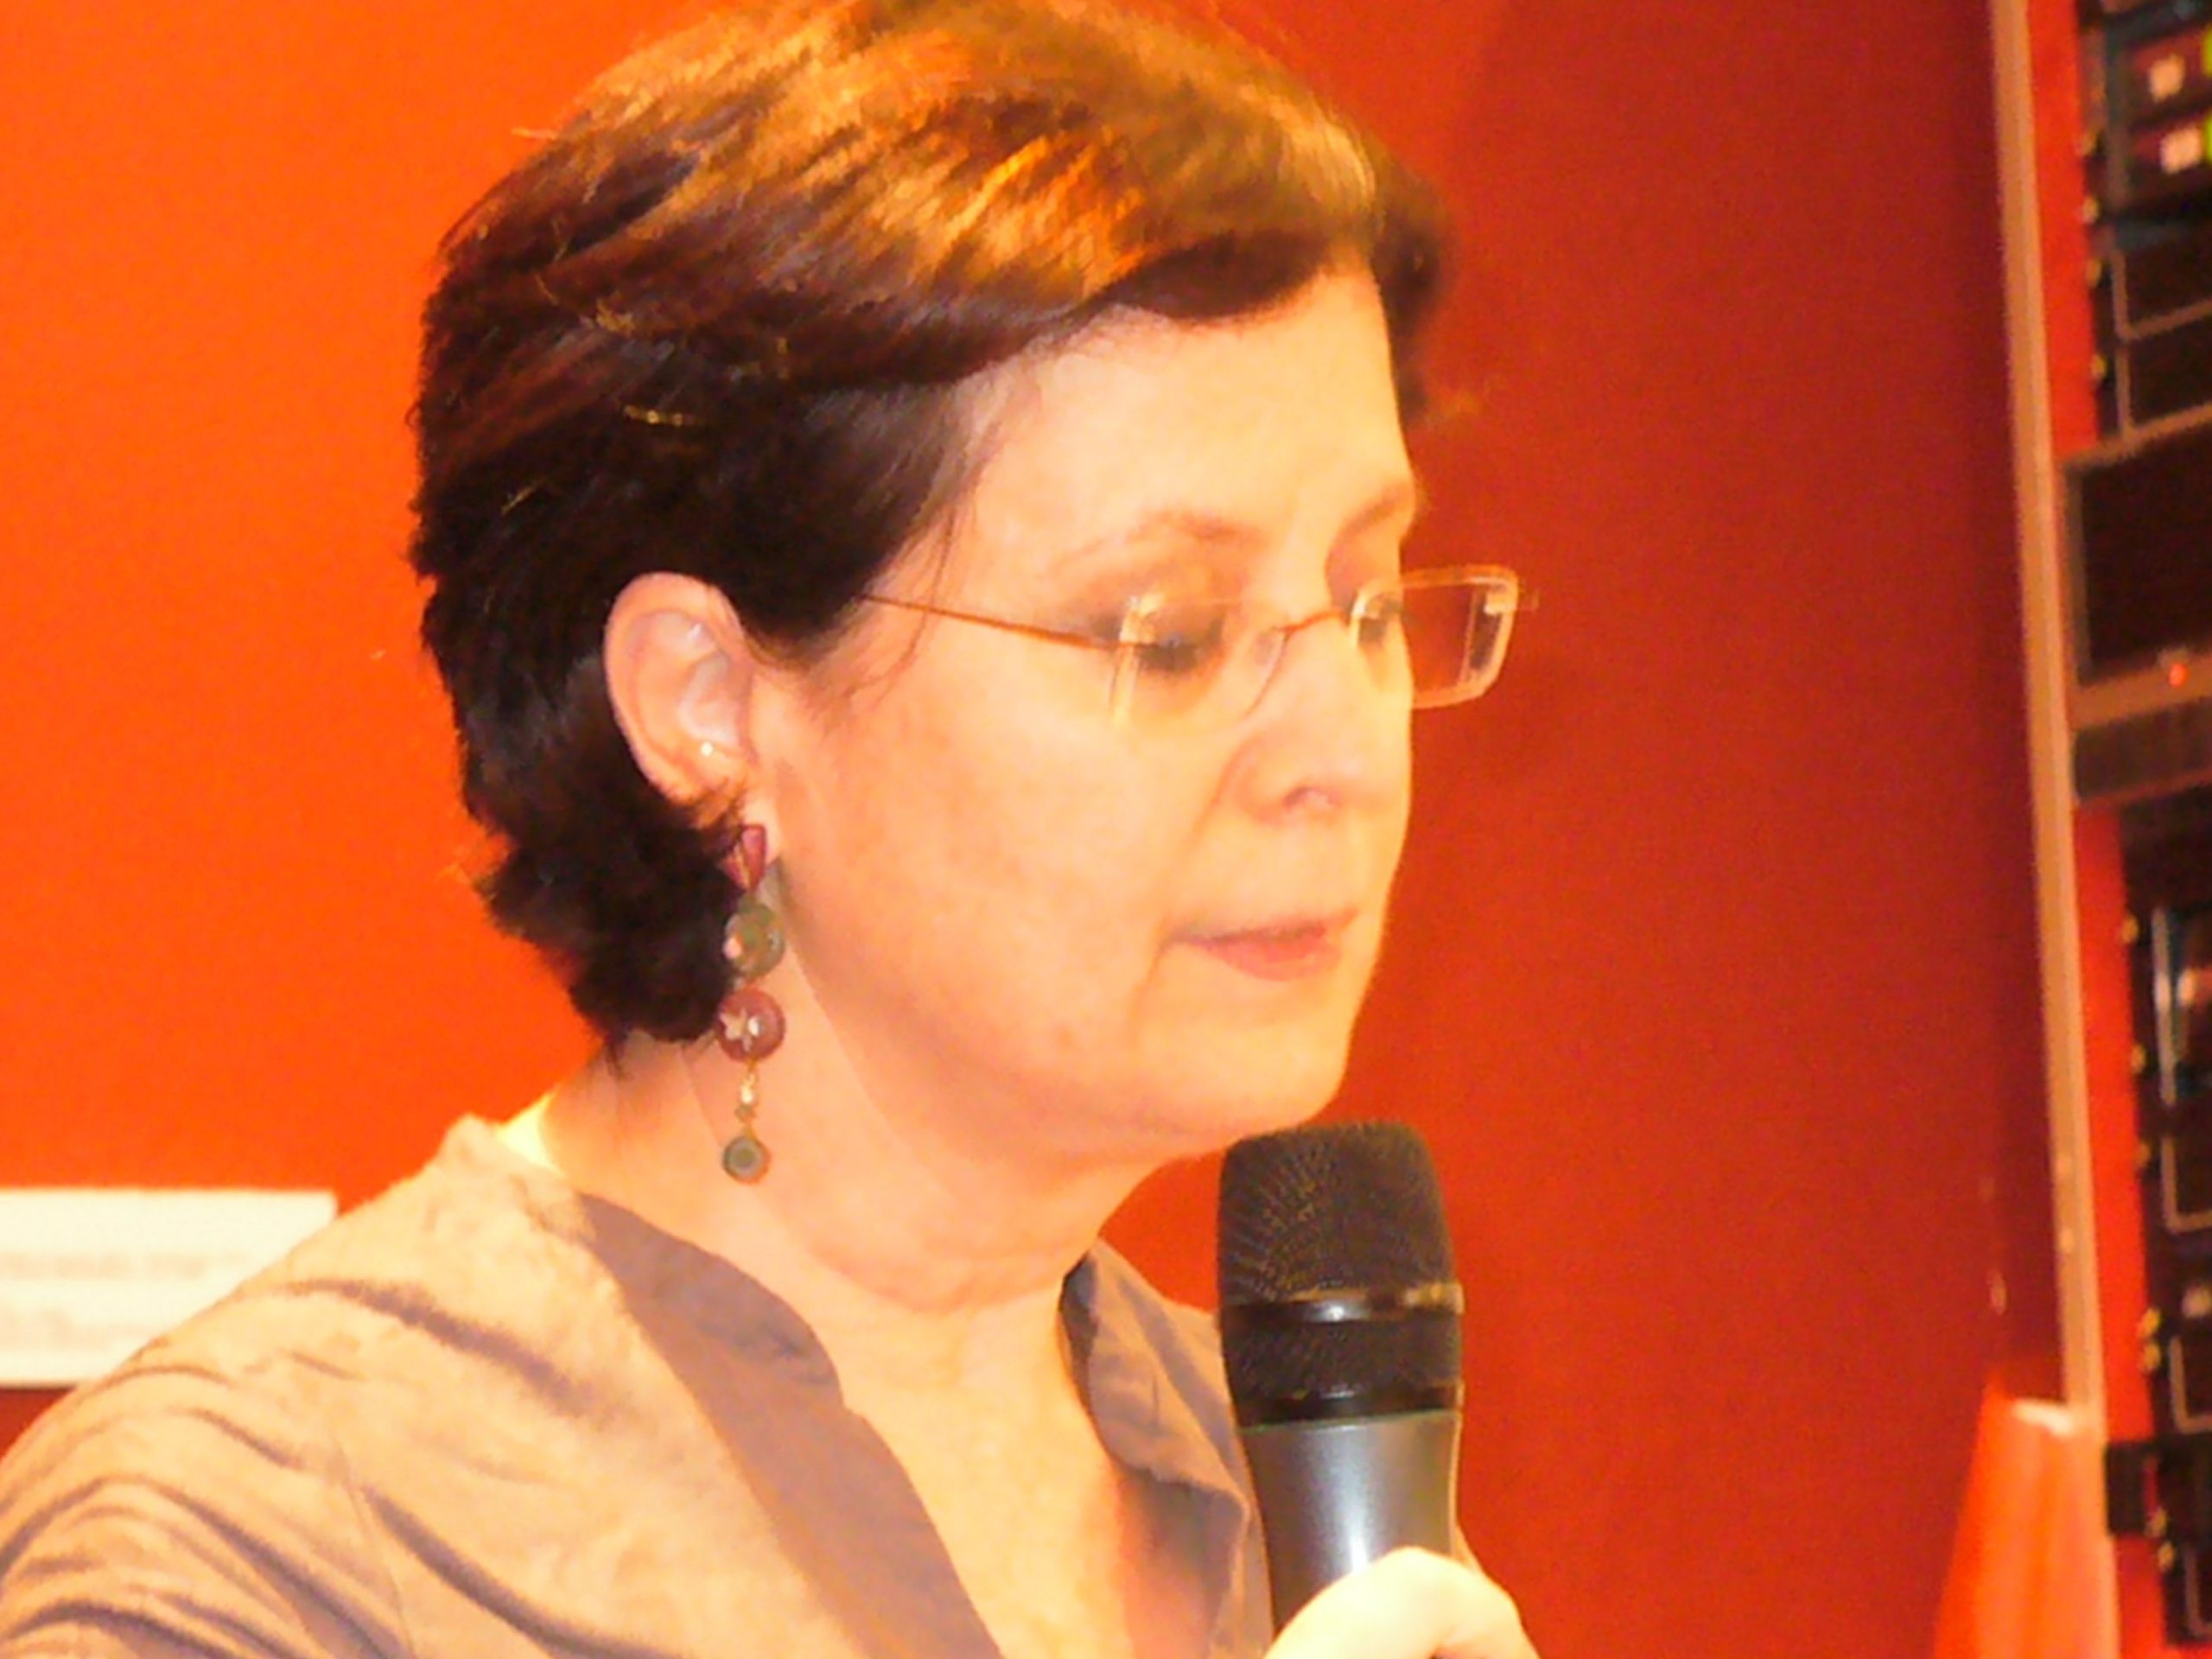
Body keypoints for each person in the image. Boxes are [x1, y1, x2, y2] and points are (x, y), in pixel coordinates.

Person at [0, 0, 1536, 1655]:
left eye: (1365, 602)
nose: (1342, 753)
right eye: (1167, 634)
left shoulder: (1284, 1488)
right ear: (708, 700)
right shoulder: (248, 1560)